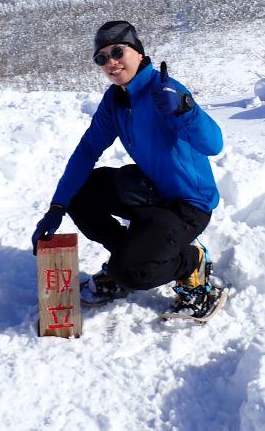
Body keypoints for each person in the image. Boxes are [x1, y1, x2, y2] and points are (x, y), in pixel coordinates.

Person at [31, 20, 224, 315]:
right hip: (150, 191)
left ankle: (190, 263)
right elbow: (88, 150)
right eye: (102, 58)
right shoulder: (115, 99)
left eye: (118, 52)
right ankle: (128, 255)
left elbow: (213, 145)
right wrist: (57, 206)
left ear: (138, 52)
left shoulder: (166, 92)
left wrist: (185, 108)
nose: (111, 62)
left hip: (188, 205)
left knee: (134, 273)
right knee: (80, 193)